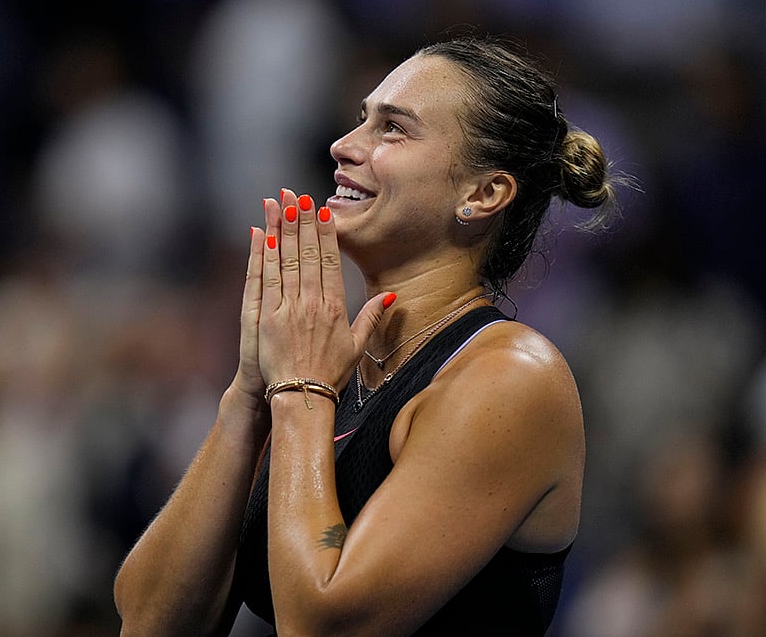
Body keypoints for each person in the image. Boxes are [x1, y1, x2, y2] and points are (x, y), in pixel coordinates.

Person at [114, 35, 618, 636]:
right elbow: (149, 624)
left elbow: (324, 626)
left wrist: (300, 395)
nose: (343, 146)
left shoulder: (510, 378)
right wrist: (250, 395)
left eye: (393, 129)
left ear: (483, 194)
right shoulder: (329, 367)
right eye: (361, 120)